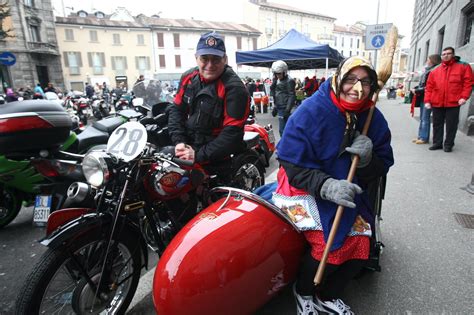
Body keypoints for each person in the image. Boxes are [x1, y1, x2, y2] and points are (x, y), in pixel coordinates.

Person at [275, 56, 394, 314]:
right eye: (351, 79)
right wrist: (326, 185)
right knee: (328, 243)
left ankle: (328, 295)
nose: (357, 88)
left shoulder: (372, 116)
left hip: (348, 188)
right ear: (339, 78)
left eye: (365, 81)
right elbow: (291, 163)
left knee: (363, 241)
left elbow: (384, 163)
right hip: (304, 187)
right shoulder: (310, 111)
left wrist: (367, 160)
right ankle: (304, 292)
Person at [168, 31, 250, 185]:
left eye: (216, 59)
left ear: (225, 59)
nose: (210, 65)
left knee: (215, 203)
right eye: (204, 58)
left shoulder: (235, 88)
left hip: (217, 158)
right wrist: (179, 142)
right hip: (188, 148)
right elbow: (177, 110)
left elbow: (232, 135)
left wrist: (197, 155)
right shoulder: (188, 77)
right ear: (196, 58)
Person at [424, 47, 473, 152]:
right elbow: (429, 87)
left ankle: (448, 144)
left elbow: (468, 83)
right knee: (437, 124)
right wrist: (427, 100)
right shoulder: (435, 70)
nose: (445, 55)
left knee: (451, 125)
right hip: (437, 102)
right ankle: (437, 143)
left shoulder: (463, 66)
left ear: (453, 54)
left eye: (448, 53)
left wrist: (464, 97)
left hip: (453, 102)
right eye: (443, 54)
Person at [410, 54, 441, 144]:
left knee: (425, 118)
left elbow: (429, 87)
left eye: (428, 59)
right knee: (422, 118)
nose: (427, 61)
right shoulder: (429, 70)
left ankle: (424, 138)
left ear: (432, 61)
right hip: (424, 96)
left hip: (428, 97)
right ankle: (421, 136)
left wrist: (416, 90)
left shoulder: (433, 71)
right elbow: (423, 84)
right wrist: (417, 88)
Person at [270, 60, 296, 136]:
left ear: (284, 72)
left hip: (284, 107)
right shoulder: (277, 80)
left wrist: (287, 110)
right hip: (280, 106)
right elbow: (275, 93)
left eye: (279, 73)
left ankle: (286, 146)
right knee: (284, 129)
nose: (278, 75)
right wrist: (275, 106)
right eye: (276, 73)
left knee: (283, 130)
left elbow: (292, 95)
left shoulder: (289, 81)